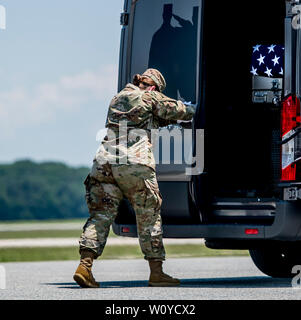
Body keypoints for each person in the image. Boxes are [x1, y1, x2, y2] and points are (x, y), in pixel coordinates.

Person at [73, 68, 195, 288]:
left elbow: (138, 122)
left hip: (105, 162)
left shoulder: (117, 98)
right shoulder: (150, 95)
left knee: (100, 215)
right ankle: (156, 273)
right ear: (152, 86)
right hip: (134, 163)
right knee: (149, 215)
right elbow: (180, 111)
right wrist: (191, 108)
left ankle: (85, 266)